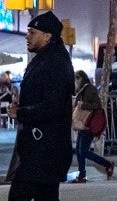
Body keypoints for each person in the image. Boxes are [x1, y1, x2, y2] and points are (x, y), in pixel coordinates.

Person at [8, 11, 74, 201]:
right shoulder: (47, 59)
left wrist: (20, 113)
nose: (27, 36)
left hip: (44, 149)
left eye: (32, 32)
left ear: (47, 36)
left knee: (19, 195)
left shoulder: (54, 62)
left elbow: (52, 106)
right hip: (43, 149)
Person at [71, 70, 114, 183]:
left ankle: (107, 164)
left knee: (83, 151)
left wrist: (83, 105)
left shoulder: (88, 88)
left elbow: (96, 105)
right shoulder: (82, 89)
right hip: (83, 124)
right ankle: (82, 175)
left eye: (77, 78)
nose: (76, 81)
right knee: (80, 151)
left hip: (88, 124)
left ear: (81, 78)